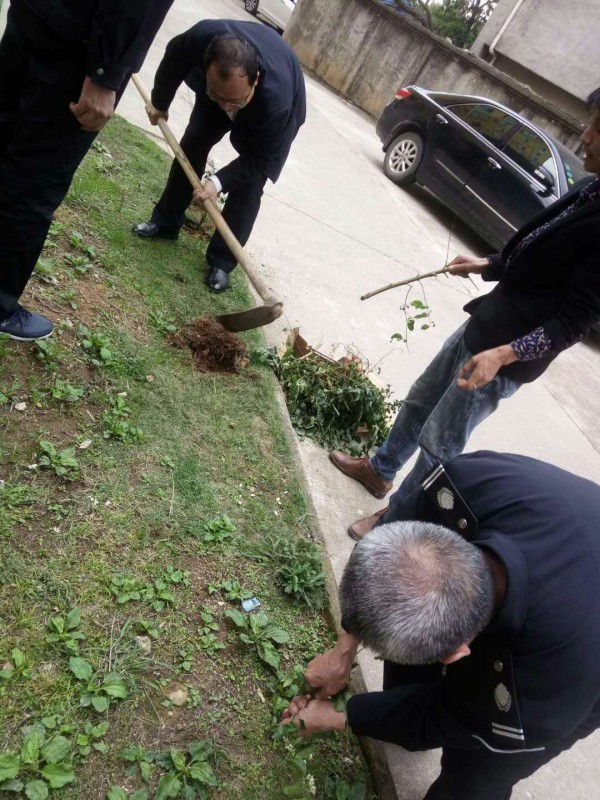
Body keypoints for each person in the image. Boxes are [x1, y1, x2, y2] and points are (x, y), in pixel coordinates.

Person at [329, 87, 600, 539]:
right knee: (421, 397)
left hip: (504, 353)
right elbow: (543, 250)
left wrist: (503, 356)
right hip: (488, 319)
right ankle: (381, 468)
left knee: (441, 442)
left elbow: (572, 323)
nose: (585, 134)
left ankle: (397, 518)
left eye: (598, 127)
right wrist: (489, 264)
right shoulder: (592, 189)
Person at [284, 451, 600, 799]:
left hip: (583, 672)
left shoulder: (541, 689)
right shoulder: (466, 484)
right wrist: (342, 653)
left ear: (457, 652)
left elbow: (450, 718)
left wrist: (341, 716)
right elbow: (397, 524)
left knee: (476, 773)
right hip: (568, 517)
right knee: (412, 646)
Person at [0, 0, 175, 342]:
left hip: (37, 12)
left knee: (5, 134)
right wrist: (105, 73)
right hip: (77, 47)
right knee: (39, 175)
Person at [132, 19, 306, 293]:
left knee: (250, 183)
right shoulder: (202, 39)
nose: (226, 107)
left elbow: (259, 159)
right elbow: (174, 56)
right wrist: (160, 103)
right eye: (218, 96)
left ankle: (222, 261)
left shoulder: (277, 106)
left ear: (255, 80)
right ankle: (165, 222)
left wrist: (217, 182)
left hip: (275, 100)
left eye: (233, 102)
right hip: (228, 86)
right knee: (193, 143)